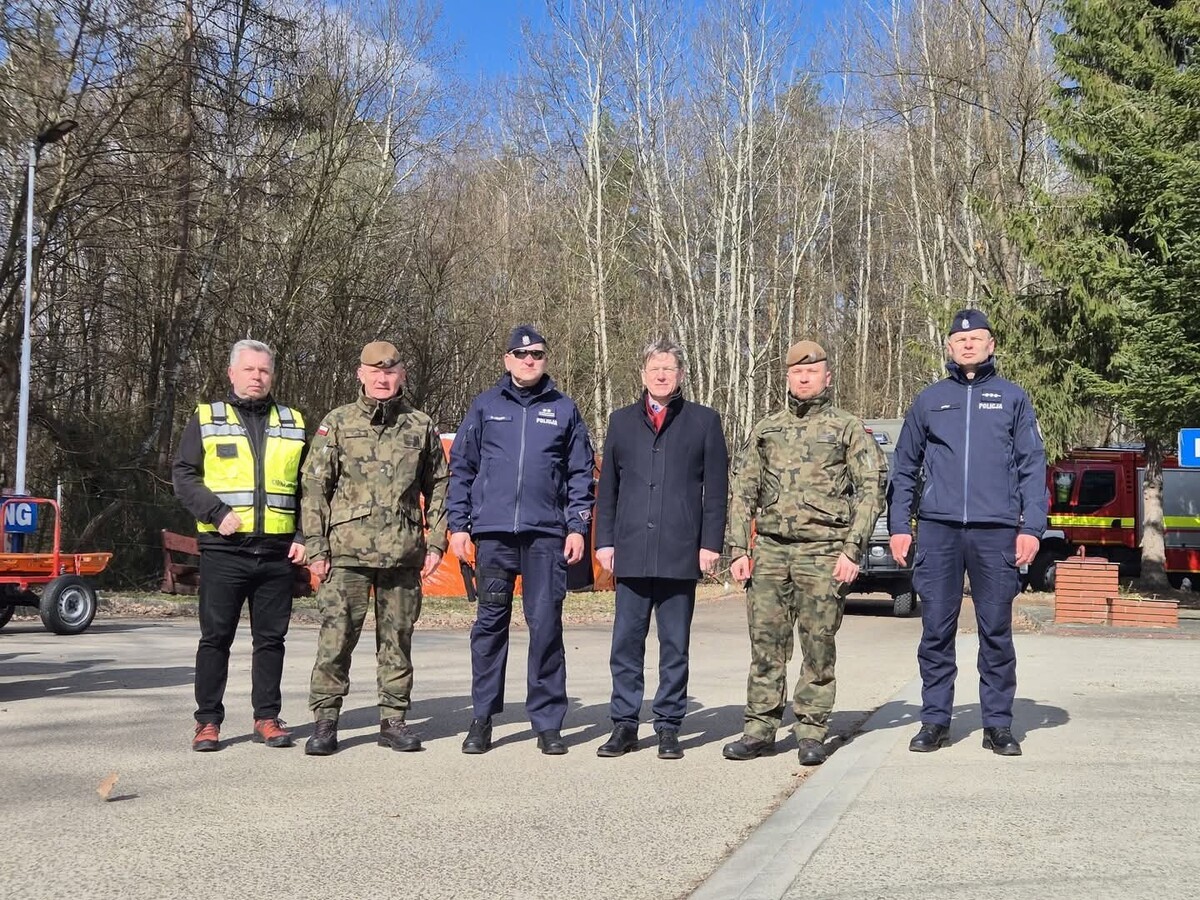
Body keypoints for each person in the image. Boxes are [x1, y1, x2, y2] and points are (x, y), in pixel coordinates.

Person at [887, 308, 1047, 757]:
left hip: (997, 531)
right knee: (936, 630)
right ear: (950, 347)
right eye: (961, 340)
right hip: (938, 531)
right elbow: (905, 467)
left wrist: (1032, 527)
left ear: (991, 344)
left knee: (995, 630)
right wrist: (900, 525)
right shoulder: (929, 400)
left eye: (977, 338)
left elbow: (1032, 465)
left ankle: (997, 724)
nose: (969, 344)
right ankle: (935, 720)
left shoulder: (1012, 398)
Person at [723, 340, 886, 766]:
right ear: (788, 377)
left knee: (818, 645)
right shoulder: (767, 429)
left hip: (825, 552)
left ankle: (811, 730)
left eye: (812, 372)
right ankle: (759, 729)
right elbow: (743, 489)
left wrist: (853, 548)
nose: (804, 378)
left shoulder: (847, 428)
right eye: (797, 372)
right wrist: (739, 547)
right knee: (766, 645)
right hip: (771, 551)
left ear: (827, 377)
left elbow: (872, 489)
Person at [447, 324, 595, 756]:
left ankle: (547, 724)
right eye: (522, 354)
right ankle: (482, 718)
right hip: (493, 536)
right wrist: (458, 526)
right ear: (507, 360)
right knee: (489, 628)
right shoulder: (485, 406)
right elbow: (462, 468)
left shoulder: (564, 409)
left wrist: (576, 526)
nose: (530, 361)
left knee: (546, 626)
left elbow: (580, 474)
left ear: (545, 360)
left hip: (546, 536)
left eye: (538, 355)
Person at [300, 341, 449, 756]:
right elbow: (315, 486)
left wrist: (436, 540)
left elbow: (440, 485)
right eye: (375, 371)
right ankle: (326, 721)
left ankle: (393, 720)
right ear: (360, 374)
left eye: (390, 371)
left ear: (402, 375)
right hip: (346, 552)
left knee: (398, 638)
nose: (383, 379)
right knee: (336, 638)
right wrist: (316, 546)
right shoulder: (338, 422)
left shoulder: (420, 425)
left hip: (403, 552)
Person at [593, 339, 728, 760]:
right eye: (655, 368)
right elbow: (608, 489)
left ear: (681, 375)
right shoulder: (620, 422)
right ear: (643, 374)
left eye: (669, 368)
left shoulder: (704, 422)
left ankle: (669, 725)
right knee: (625, 644)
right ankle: (624, 724)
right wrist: (604, 540)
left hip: (680, 551)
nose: (662, 375)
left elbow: (716, 491)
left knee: (674, 646)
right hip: (631, 550)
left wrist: (710, 543)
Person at [173, 339, 308, 752]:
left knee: (271, 640)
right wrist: (215, 512)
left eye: (264, 370)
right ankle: (207, 722)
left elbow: (309, 487)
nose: (257, 377)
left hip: (277, 552)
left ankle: (267, 717)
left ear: (273, 375)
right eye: (249, 369)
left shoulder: (293, 421)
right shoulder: (207, 418)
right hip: (224, 549)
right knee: (216, 638)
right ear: (232, 373)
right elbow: (183, 474)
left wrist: (303, 535)